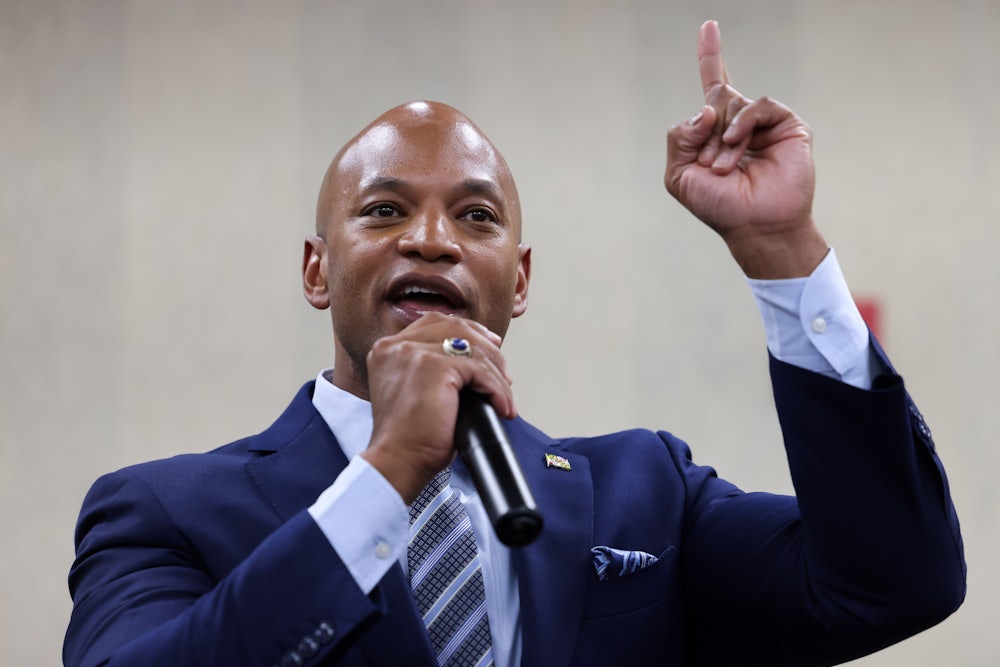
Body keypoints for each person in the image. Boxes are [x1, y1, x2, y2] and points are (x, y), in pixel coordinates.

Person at [64, 20, 965, 667]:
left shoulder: (646, 495)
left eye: (476, 216)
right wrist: (386, 474)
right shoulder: (162, 512)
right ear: (316, 271)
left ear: (519, 281)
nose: (433, 239)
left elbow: (893, 581)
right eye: (384, 210)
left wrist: (781, 253)